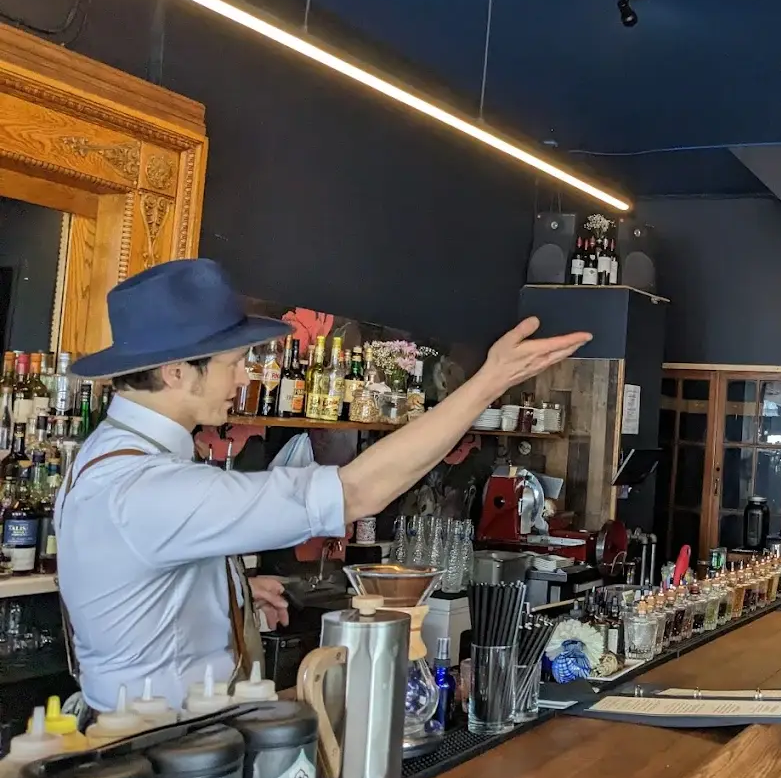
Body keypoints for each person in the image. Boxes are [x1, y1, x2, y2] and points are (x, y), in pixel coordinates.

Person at [54, 259, 589, 712]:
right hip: (159, 747)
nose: (245, 377)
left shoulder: (108, 455)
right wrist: (488, 382)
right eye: (233, 363)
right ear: (176, 372)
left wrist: (227, 589)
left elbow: (136, 575)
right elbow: (356, 492)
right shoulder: (146, 487)